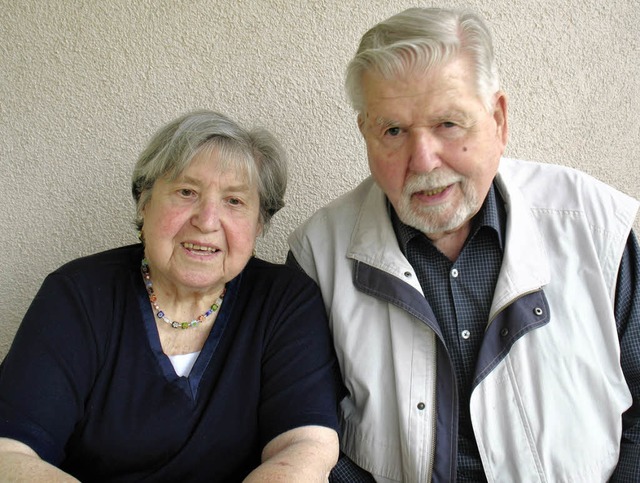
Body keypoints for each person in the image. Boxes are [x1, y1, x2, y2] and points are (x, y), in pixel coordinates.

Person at [288, 7, 640, 482]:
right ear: (365, 134)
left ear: (498, 119)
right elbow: (309, 438)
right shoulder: (317, 255)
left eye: (448, 124)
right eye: (393, 130)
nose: (423, 159)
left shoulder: (597, 229)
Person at [0, 109, 341, 481]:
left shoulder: (285, 302)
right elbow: (10, 450)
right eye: (186, 192)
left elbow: (305, 449)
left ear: (259, 223)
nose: (207, 220)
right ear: (144, 202)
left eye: (234, 201)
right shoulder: (78, 295)